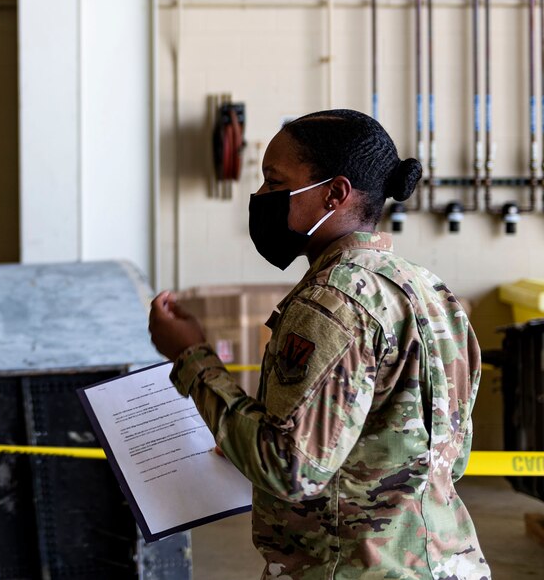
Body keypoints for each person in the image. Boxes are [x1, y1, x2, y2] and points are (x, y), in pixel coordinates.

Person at [149, 109, 490, 579]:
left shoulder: (330, 302)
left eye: (274, 181)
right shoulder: (432, 292)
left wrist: (192, 358)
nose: (262, 197)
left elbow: (291, 469)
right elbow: (448, 456)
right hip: (445, 564)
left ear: (335, 193)